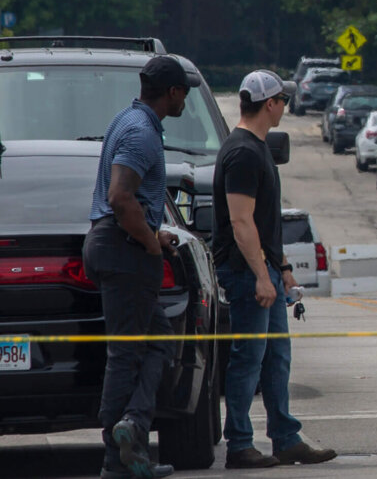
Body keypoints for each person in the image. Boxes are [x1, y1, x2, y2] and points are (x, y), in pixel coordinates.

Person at [213, 70, 337, 469]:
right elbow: (241, 222)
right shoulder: (243, 152)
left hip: (264, 268)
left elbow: (264, 223)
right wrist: (262, 277)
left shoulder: (258, 148)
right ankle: (239, 444)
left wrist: (282, 267)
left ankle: (286, 438)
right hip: (246, 271)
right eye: (283, 100)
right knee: (248, 357)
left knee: (276, 355)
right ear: (270, 105)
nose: (286, 106)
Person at [84, 55, 200, 479]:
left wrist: (155, 233)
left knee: (157, 343)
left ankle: (132, 431)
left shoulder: (126, 120)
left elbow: (129, 201)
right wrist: (151, 244)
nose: (186, 96)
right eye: (184, 90)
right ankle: (117, 459)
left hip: (119, 245)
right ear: (171, 93)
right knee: (126, 355)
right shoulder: (141, 134)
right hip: (124, 251)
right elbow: (119, 197)